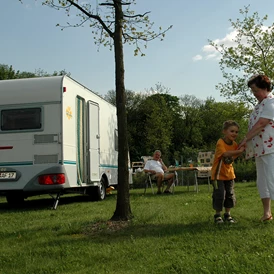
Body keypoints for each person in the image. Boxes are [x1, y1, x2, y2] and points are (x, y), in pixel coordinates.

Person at [238, 74, 274, 222]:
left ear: (265, 88)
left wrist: (245, 138)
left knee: (273, 179)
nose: (254, 94)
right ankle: (267, 213)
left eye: (256, 90)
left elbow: (261, 124)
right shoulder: (259, 105)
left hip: (271, 148)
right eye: (252, 91)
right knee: (262, 182)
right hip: (260, 150)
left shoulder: (271, 102)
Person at [211, 120, 245, 224]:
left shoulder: (234, 144)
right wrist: (239, 151)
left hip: (229, 174)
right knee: (220, 194)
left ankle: (227, 214)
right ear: (224, 131)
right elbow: (225, 154)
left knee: (229, 194)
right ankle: (217, 215)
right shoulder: (220, 142)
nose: (234, 134)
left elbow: (232, 157)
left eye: (236, 132)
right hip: (218, 175)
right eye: (232, 131)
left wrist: (241, 148)